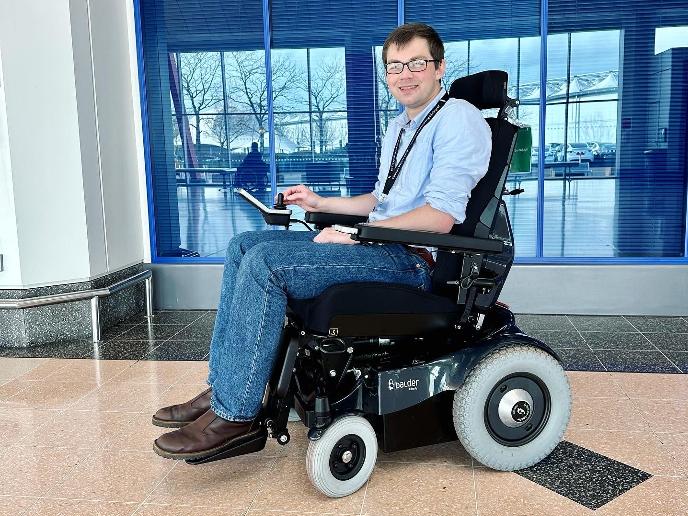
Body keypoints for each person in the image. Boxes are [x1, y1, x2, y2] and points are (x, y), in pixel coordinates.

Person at [151, 22, 492, 460]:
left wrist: (356, 234)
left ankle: (235, 414)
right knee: (243, 246)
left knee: (266, 265)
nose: (404, 75)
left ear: (439, 67)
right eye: (394, 67)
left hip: (411, 260)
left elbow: (440, 218)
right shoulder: (403, 126)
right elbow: (380, 201)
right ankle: (225, 385)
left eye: (417, 64)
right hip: (382, 243)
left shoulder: (458, 119)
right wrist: (320, 200)